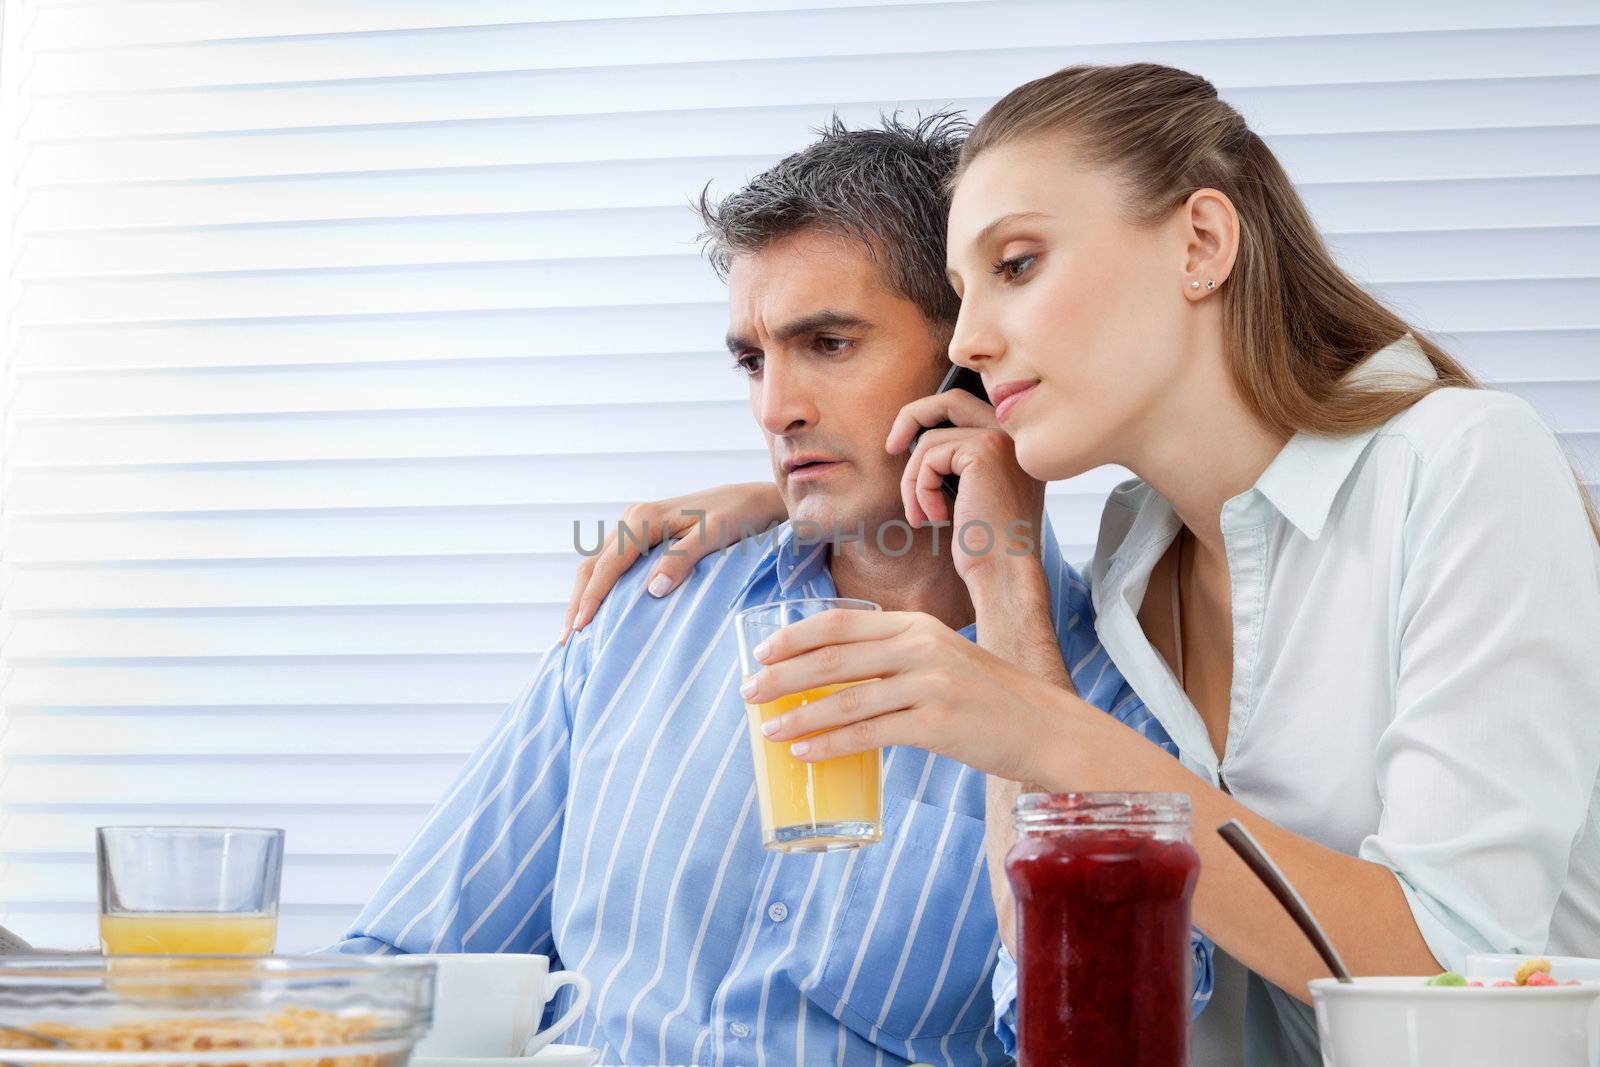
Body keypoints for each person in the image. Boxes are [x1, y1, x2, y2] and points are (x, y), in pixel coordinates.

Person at [567, 64, 1600, 1064]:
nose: (971, 338)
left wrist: (1038, 725)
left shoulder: (1465, 461)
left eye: (1016, 266)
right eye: (964, 294)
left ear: (1199, 240)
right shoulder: (1134, 553)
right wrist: (813, 503)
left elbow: (1458, 977)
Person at [329, 113, 1211, 1067]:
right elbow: (404, 965)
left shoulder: (1115, 697)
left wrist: (1004, 601)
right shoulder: (649, 612)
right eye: (753, 360)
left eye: (827, 344)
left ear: (966, 352)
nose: (773, 407)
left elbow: (1085, 1040)